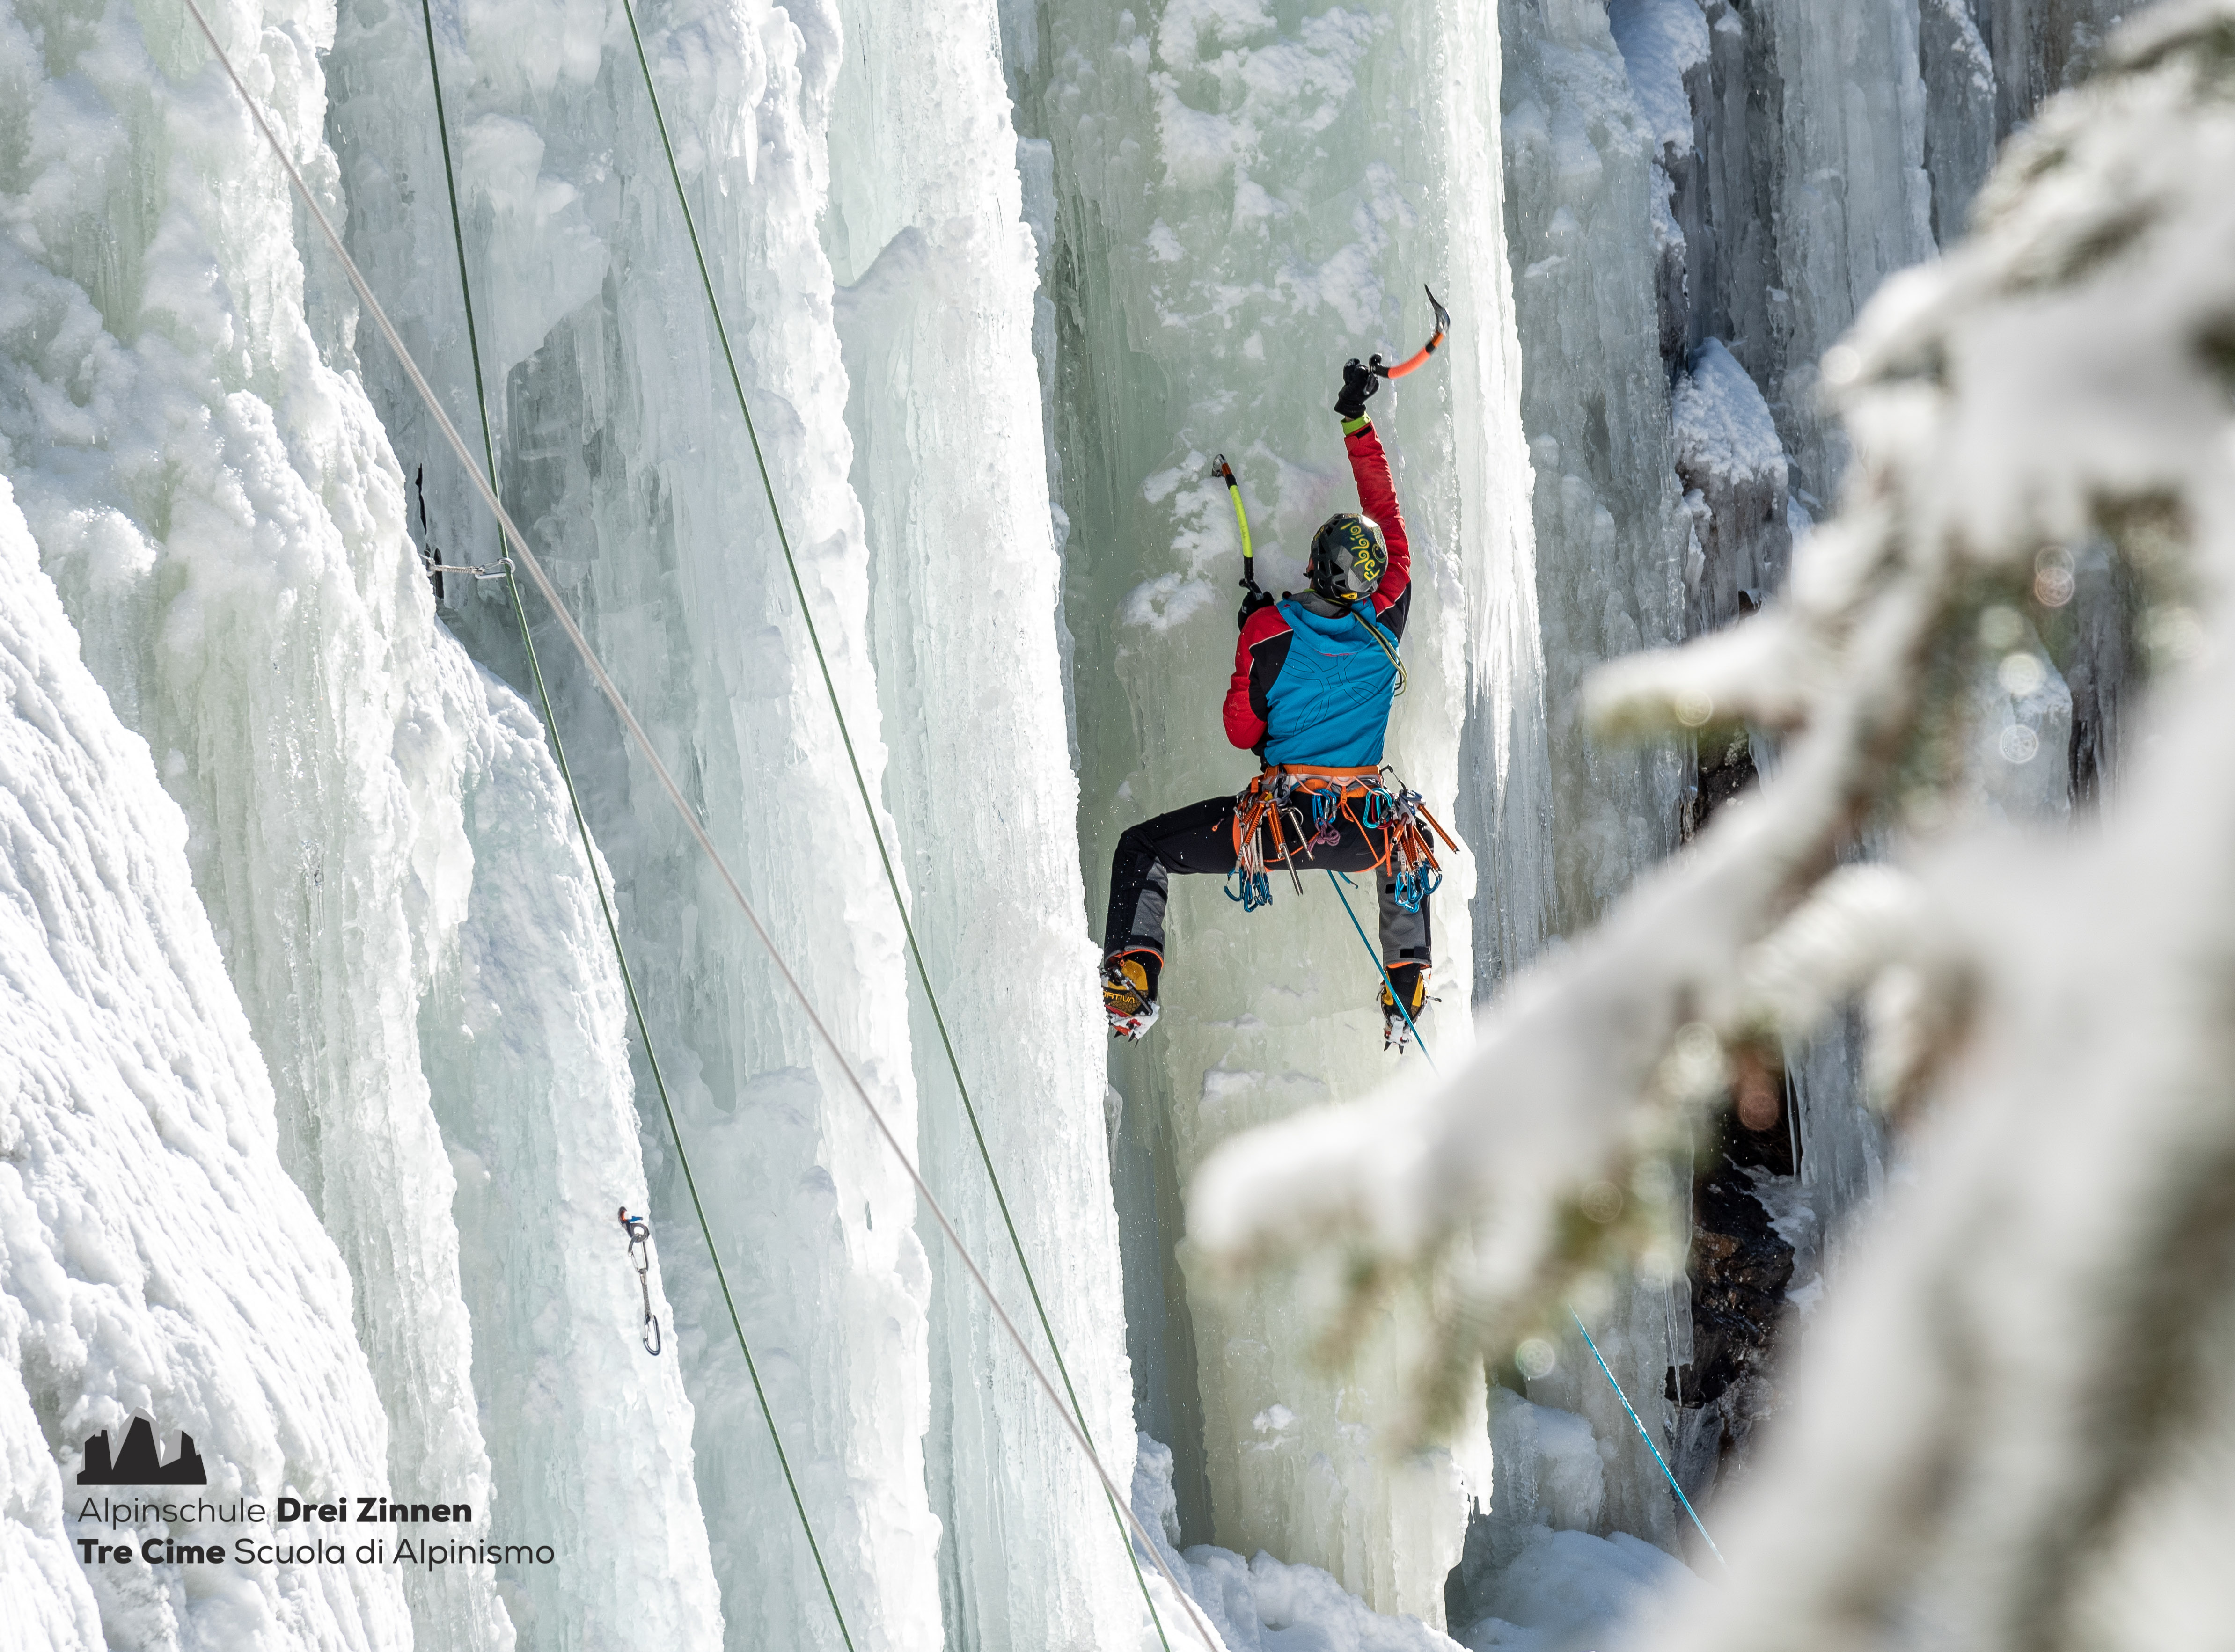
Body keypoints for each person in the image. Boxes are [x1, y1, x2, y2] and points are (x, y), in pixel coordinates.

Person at [1100, 359, 1435, 1049]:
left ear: (1313, 564)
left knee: (1144, 850)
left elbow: (1239, 728)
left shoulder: (1269, 633)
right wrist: (1357, 422)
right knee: (1411, 845)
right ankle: (1408, 982)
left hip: (1279, 829)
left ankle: (1134, 984)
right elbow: (1392, 523)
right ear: (1371, 582)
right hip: (1361, 836)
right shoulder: (1389, 614)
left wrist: (1254, 630)